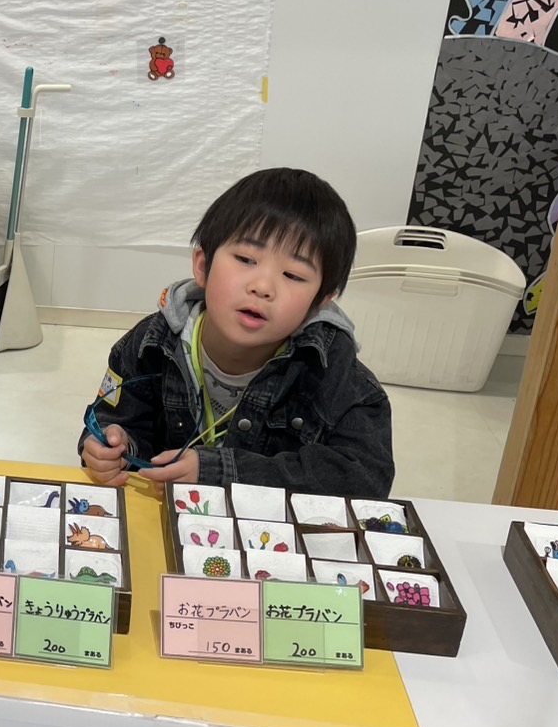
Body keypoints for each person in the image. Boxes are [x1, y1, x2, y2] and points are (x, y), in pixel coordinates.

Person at [79, 167, 393, 496]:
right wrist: (112, 449)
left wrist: (223, 473)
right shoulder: (150, 344)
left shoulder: (337, 377)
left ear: (321, 300)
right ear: (203, 266)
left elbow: (367, 480)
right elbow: (113, 421)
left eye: (293, 275)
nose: (262, 286)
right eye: (245, 259)